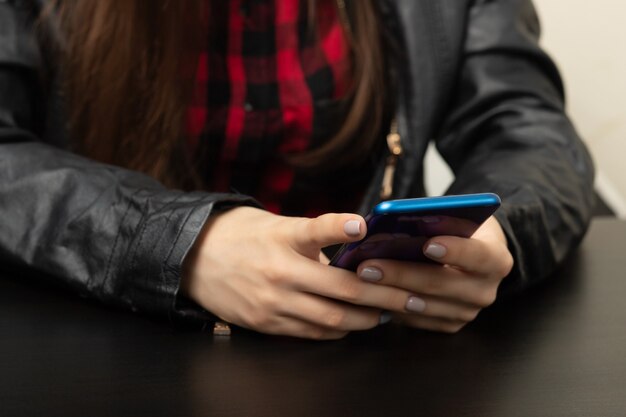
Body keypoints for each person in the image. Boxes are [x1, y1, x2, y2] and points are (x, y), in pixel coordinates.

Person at [0, 0, 594, 340]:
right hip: (106, 346)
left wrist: (498, 232)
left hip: (373, 359)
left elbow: (526, 128)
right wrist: (185, 246)